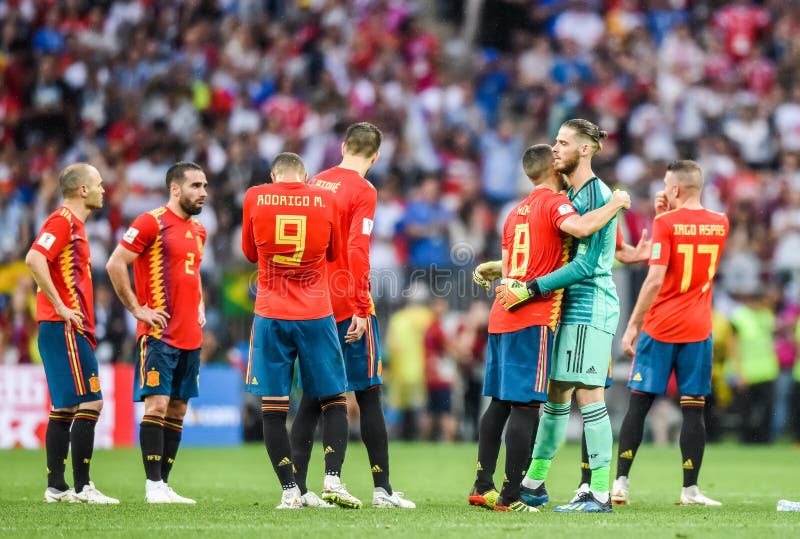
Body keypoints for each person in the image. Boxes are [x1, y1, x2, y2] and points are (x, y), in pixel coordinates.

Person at [470, 143, 630, 512]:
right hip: (533, 314)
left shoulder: (513, 213)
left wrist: (491, 268)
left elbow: (513, 265)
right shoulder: (556, 203)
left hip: (501, 313)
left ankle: (486, 483)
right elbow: (583, 226)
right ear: (555, 173)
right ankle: (515, 495)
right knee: (527, 406)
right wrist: (617, 204)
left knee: (500, 403)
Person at [289, 122, 415, 509]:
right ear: (376, 157)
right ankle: (382, 490)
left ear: (343, 146)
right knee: (370, 393)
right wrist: (361, 306)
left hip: (313, 302)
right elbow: (359, 250)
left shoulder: (315, 182)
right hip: (347, 302)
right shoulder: (364, 190)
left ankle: (295, 489)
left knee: (313, 395)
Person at [614, 160, 729, 506]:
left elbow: (655, 278)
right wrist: (665, 217)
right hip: (698, 328)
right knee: (693, 408)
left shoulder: (666, 222)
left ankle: (620, 483)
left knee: (639, 405)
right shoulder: (720, 223)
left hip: (661, 326)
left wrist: (632, 325)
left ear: (676, 189)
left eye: (666, 185)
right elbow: (688, 245)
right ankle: (690, 490)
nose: (662, 191)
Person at [241, 152, 352, 510]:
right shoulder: (325, 197)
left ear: (274, 174)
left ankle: (290, 489)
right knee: (333, 398)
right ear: (305, 175)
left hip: (271, 312)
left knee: (274, 406)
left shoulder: (255, 196)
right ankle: (332, 478)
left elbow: (248, 252)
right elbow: (335, 252)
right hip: (316, 312)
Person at [106, 161, 209, 504]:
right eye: (195, 186)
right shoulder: (151, 222)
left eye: (205, 186)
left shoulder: (199, 231)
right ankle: (152, 486)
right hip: (159, 334)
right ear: (175, 189)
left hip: (190, 335)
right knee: (157, 405)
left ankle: (164, 484)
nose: (204, 193)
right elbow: (115, 263)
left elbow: (190, 276)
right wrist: (137, 309)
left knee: (178, 409)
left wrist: (200, 306)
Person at [25, 163, 118, 504]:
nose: (103, 189)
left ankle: (56, 487)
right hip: (65, 326)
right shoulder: (62, 221)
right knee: (91, 401)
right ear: (82, 190)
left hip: (64, 327)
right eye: (98, 183)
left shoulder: (74, 225)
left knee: (64, 407)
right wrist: (62, 306)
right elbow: (34, 258)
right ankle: (83, 487)